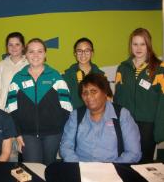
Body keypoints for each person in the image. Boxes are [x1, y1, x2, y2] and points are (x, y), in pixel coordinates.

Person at [6, 38, 73, 165]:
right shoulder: (17, 78)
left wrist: (60, 130)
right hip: (27, 134)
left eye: (40, 51)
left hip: (53, 134)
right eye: (31, 52)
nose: (35, 55)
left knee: (49, 168)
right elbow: (11, 109)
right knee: (33, 169)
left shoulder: (56, 76)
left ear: (45, 54)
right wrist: (18, 133)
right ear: (25, 54)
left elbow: (67, 107)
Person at [60, 73, 141, 163]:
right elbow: (66, 147)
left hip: (113, 170)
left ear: (105, 92)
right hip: (81, 168)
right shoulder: (76, 115)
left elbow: (134, 153)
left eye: (93, 91)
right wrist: (79, 167)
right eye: (85, 93)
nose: (89, 97)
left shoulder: (122, 115)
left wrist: (110, 169)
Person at [114, 28, 164, 163]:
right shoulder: (122, 68)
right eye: (135, 44)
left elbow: (162, 103)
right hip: (126, 123)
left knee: (144, 164)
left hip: (148, 126)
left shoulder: (160, 68)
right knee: (126, 161)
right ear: (131, 46)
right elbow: (117, 99)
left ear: (148, 45)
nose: (139, 48)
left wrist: (159, 129)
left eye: (143, 44)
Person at [62, 37, 104, 109]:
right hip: (74, 117)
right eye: (79, 51)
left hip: (96, 117)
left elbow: (104, 100)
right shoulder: (67, 76)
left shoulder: (101, 76)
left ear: (92, 53)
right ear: (75, 53)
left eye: (87, 50)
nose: (83, 54)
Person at [0, 32, 28, 110]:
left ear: (23, 46)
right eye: (10, 45)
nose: (14, 47)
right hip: (4, 110)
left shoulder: (29, 64)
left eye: (17, 44)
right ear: (7, 47)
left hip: (24, 109)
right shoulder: (1, 65)